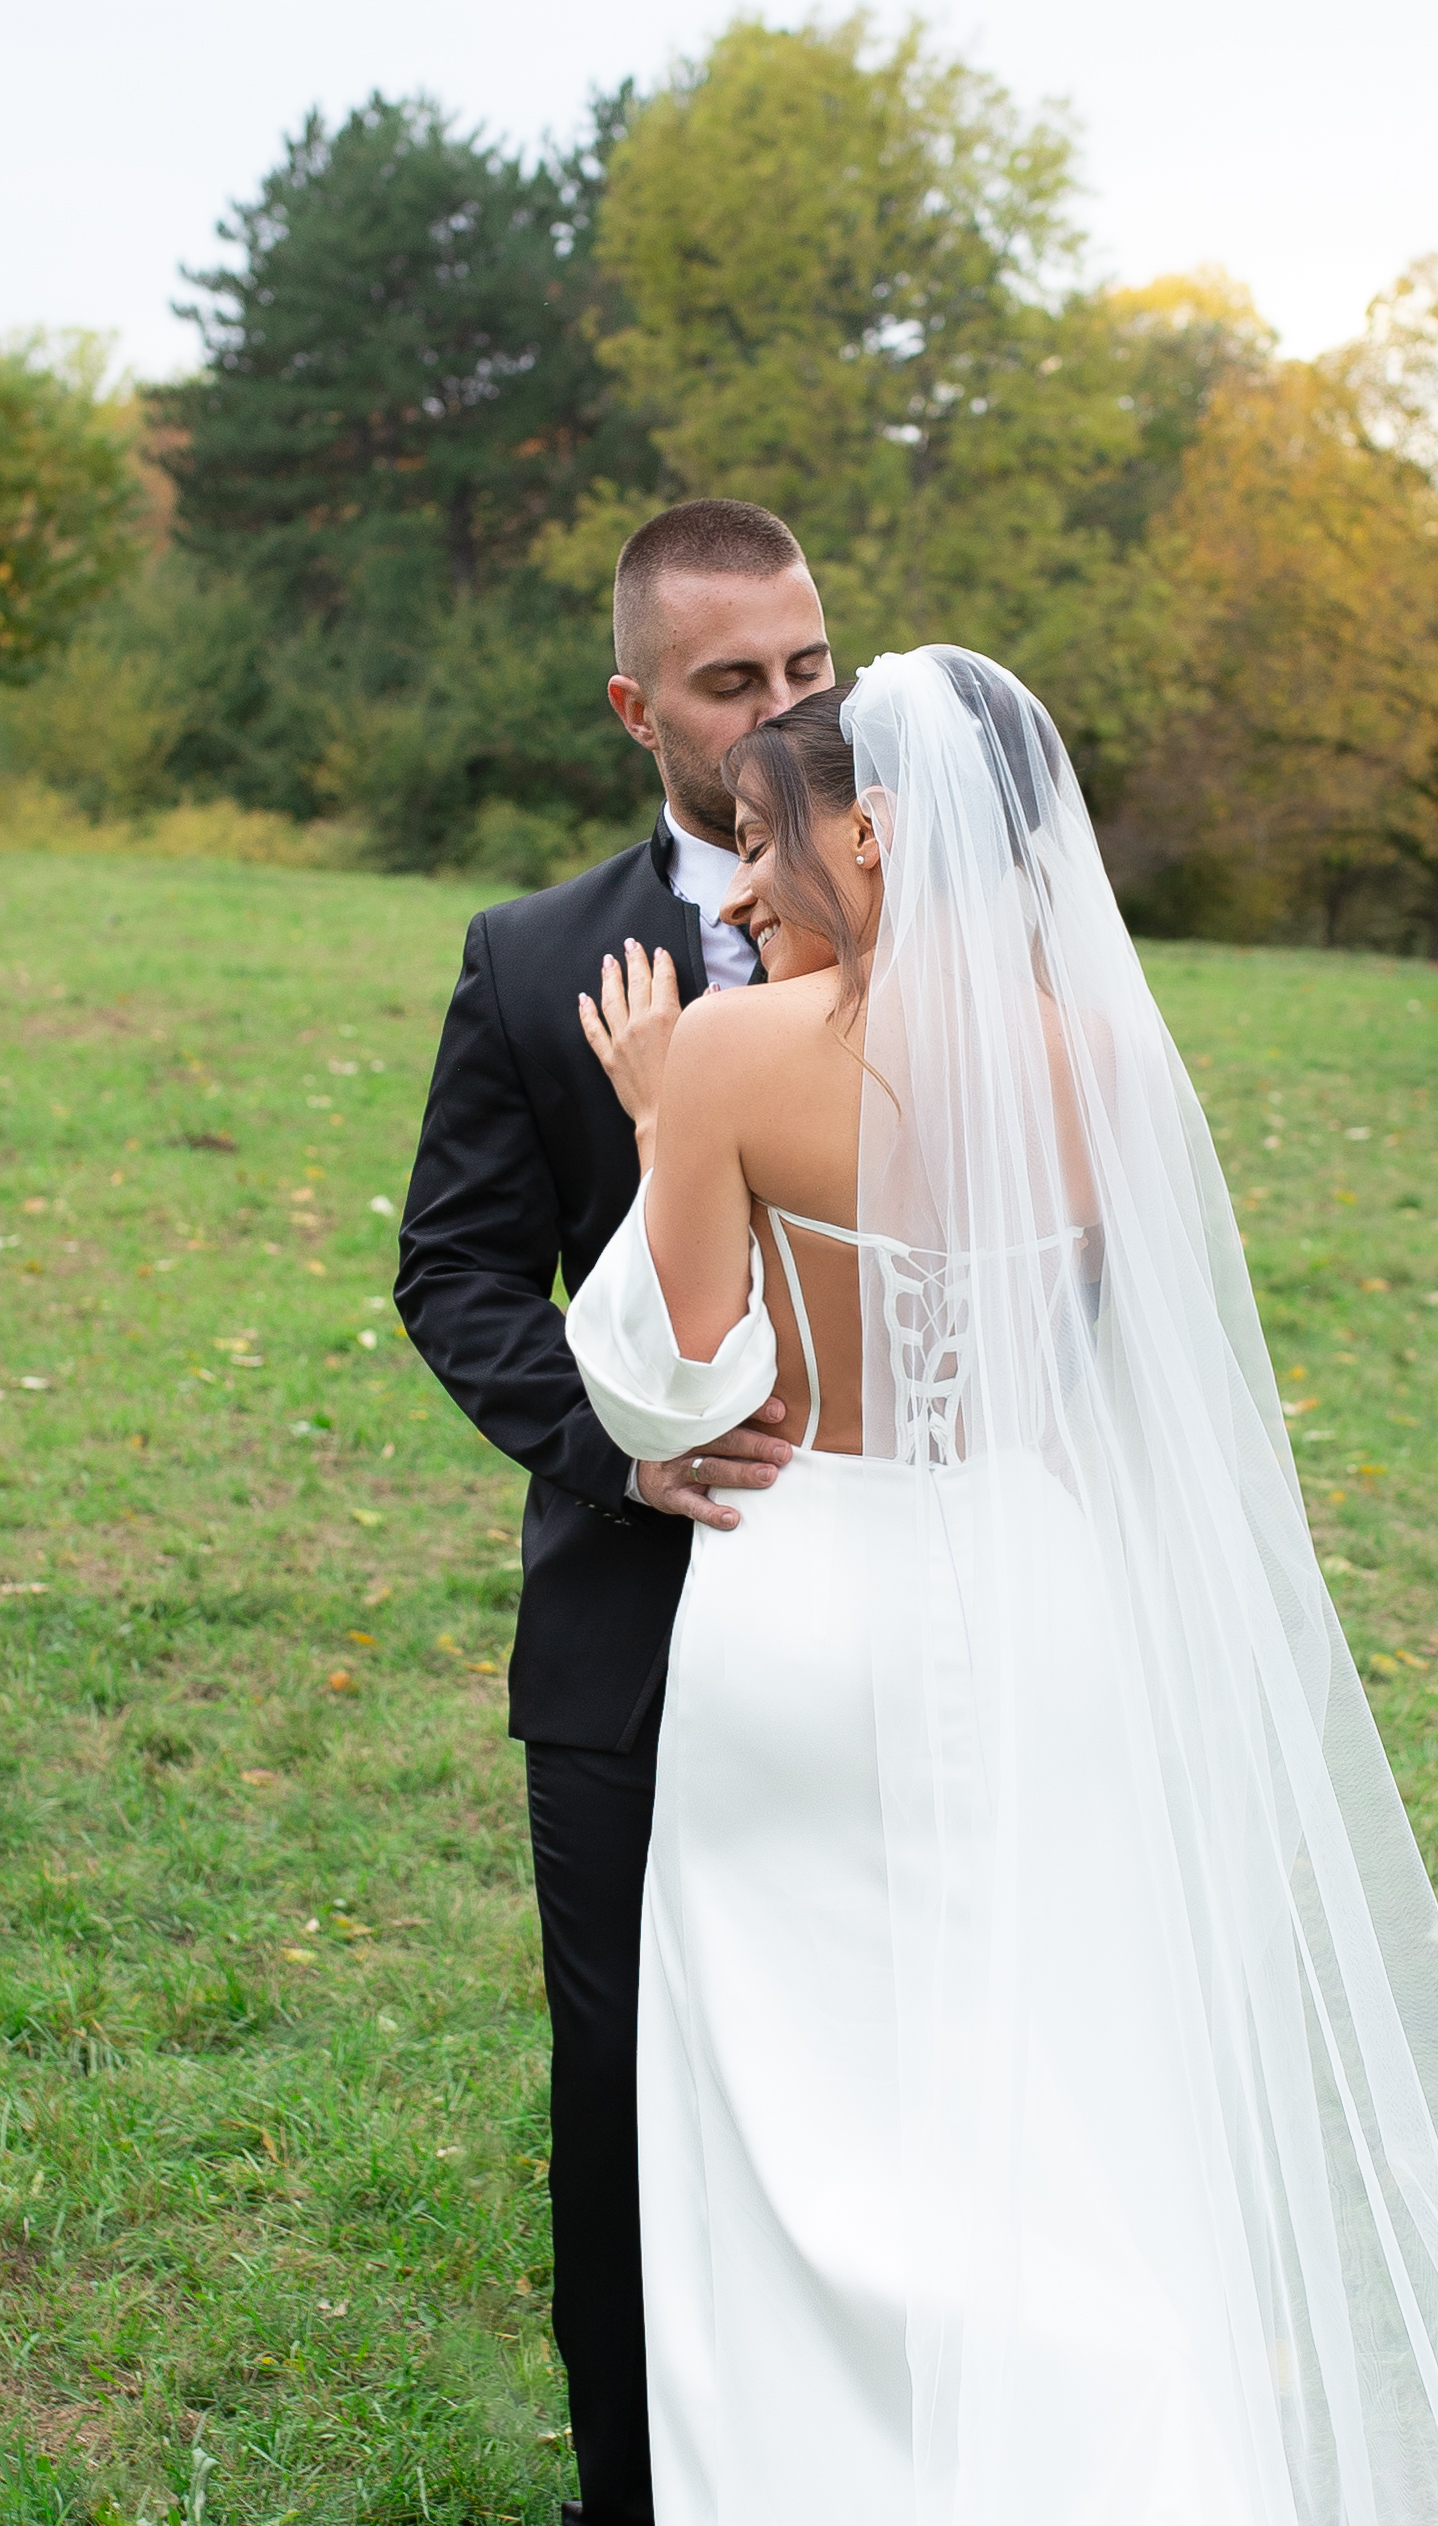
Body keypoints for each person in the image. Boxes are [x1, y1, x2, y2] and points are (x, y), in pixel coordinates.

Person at [565, 651, 1438, 2526]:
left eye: (768, 843)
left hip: (809, 1591)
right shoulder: (1110, 1055)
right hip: (1036, 1590)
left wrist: (668, 1106)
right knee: (1049, 2093)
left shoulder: (735, 1051)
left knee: (789, 2110)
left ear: (878, 829)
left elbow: (676, 1380)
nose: (743, 890)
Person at [395, 500, 834, 2526]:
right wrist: (607, 1449)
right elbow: (458, 1273)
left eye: (805, 672)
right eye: (729, 683)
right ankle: (641, 2496)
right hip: (631, 1639)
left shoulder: (956, 940)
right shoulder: (528, 961)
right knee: (626, 2096)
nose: (775, 718)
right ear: (633, 707)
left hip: (886, 1622)